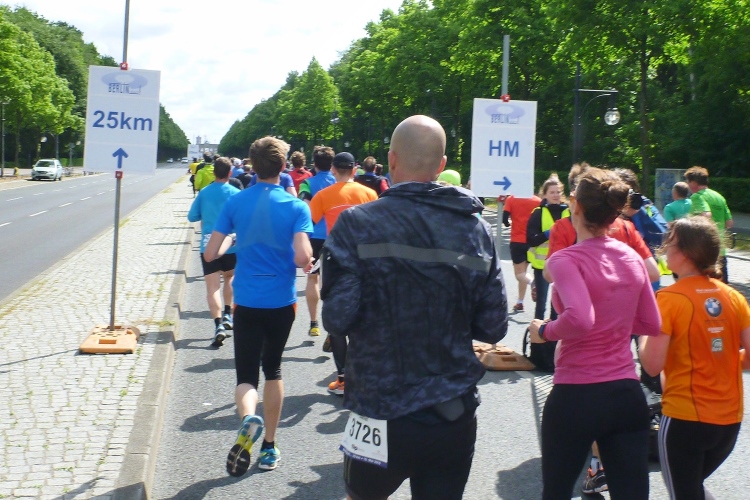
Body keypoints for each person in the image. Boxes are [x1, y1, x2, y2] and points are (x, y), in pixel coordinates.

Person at [321, 115, 508, 500]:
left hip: (378, 408)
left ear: (391, 160)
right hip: (451, 411)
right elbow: (494, 326)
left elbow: (337, 318)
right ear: (441, 165)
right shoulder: (475, 230)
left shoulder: (356, 225)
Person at [528, 167, 661, 499]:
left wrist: (544, 331)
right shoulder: (632, 258)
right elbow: (651, 323)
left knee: (557, 491)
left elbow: (580, 319)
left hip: (576, 394)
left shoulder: (565, 260)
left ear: (575, 204)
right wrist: (614, 323)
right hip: (626, 393)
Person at [204, 136, 313, 475]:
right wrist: (304, 260)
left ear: (252, 165)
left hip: (247, 301)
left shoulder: (235, 202)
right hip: (281, 302)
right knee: (274, 369)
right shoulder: (296, 206)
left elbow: (211, 253)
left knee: (246, 375)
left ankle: (248, 416)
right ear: (283, 166)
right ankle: (268, 447)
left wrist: (234, 238)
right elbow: (302, 257)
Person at [639, 216, 750, 499]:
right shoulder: (733, 296)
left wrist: (642, 334)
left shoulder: (669, 298)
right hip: (729, 421)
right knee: (691, 490)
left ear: (686, 253)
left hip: (685, 419)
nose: (665, 247)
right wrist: (721, 361)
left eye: (670, 242)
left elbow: (652, 364)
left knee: (683, 492)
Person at [309, 152, 378, 395]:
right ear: (354, 169)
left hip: (336, 261)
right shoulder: (369, 194)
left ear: (334, 170)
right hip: (366, 260)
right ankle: (365, 375)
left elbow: (310, 222)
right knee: (364, 316)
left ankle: (343, 379)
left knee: (335, 321)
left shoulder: (323, 195)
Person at [187, 157, 241, 347]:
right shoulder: (236, 193)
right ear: (230, 173)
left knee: (212, 288)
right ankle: (227, 314)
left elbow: (192, 216)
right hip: (231, 242)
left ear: (214, 173)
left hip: (208, 244)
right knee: (230, 278)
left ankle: (218, 325)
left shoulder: (204, 192)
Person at [297, 146, 336, 338]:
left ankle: (314, 324)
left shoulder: (307, 183)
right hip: (337, 238)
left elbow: (304, 208)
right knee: (335, 281)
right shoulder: (339, 182)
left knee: (313, 278)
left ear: (314, 164)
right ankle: (334, 326)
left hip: (315, 238)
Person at [526, 174, 569, 321]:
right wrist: (548, 234)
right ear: (544, 195)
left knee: (557, 305)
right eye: (552, 192)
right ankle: (537, 332)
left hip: (563, 264)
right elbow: (531, 240)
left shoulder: (568, 212)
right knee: (541, 304)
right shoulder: (538, 213)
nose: (556, 195)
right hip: (542, 265)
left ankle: (553, 333)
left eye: (558, 192)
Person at [684, 166, 733, 283]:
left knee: (703, 287)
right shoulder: (719, 197)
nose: (688, 185)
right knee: (722, 287)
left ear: (694, 183)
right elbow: (729, 223)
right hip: (720, 249)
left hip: (704, 250)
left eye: (688, 182)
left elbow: (706, 215)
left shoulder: (697, 196)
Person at [502, 193, 541, 312]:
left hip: (517, 240)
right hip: (531, 241)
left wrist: (509, 223)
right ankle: (520, 302)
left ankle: (533, 283)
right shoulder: (537, 201)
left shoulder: (511, 199)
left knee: (519, 274)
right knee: (523, 273)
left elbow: (505, 219)